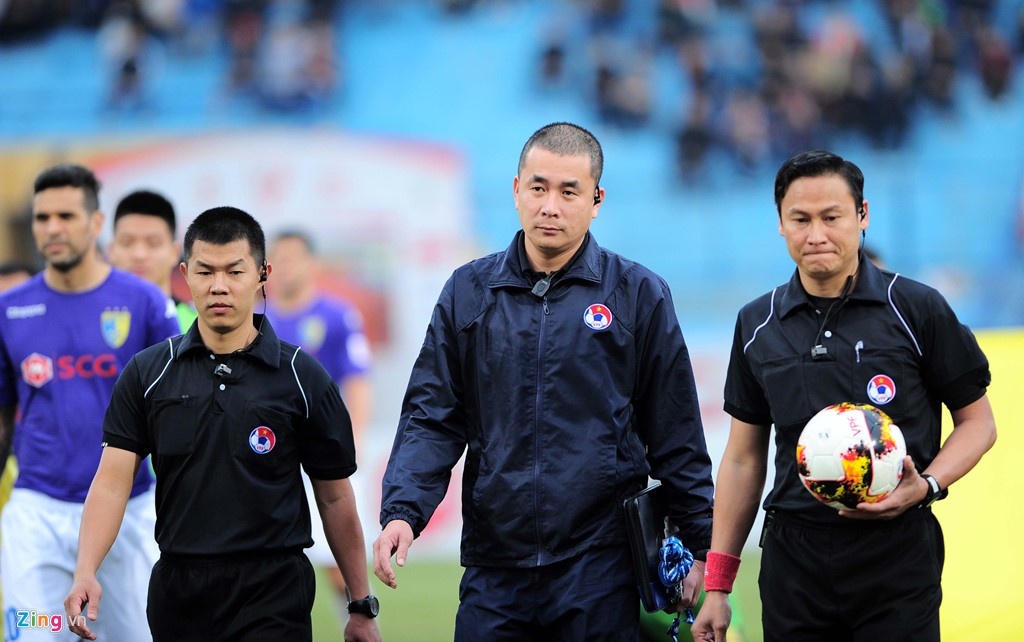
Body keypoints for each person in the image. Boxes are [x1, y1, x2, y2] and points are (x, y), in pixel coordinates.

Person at [372, 121, 714, 640]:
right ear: (515, 191)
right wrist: (403, 511)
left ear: (596, 200)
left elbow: (677, 434)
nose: (550, 205)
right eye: (538, 187)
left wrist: (699, 546)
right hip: (494, 567)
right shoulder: (467, 292)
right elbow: (432, 416)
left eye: (568, 191)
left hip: (600, 564)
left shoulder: (638, 295)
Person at [692, 150, 998, 642]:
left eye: (832, 217)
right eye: (801, 219)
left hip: (897, 554)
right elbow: (744, 460)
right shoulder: (756, 323)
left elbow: (979, 423)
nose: (817, 235)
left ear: (862, 216)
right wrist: (719, 584)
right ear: (781, 224)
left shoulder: (917, 309)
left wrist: (929, 485)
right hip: (794, 559)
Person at [64, 206, 382, 642]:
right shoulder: (148, 372)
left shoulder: (302, 376)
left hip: (274, 590)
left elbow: (334, 497)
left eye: (234, 271)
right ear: (184, 274)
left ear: (261, 273)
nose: (219, 286)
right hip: (180, 590)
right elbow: (112, 482)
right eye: (205, 271)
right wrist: (86, 570)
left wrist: (361, 605)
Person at [0, 163, 180, 641]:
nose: (53, 228)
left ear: (96, 223)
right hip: (37, 514)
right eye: (42, 218)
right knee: (37, 633)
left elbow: (183, 410)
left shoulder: (145, 303)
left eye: (66, 215)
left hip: (130, 512)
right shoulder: (10, 309)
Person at [266, 229, 373, 622]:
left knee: (338, 563)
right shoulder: (259, 320)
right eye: (280, 258)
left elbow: (357, 380)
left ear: (312, 264)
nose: (287, 267)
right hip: (272, 456)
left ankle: (360, 623)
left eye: (295, 258)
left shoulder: (336, 315)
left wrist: (353, 443)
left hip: (324, 455)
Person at [108, 189, 198, 332]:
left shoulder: (198, 328)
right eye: (127, 242)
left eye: (153, 243)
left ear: (175, 252)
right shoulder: (90, 320)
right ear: (111, 250)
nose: (139, 255)